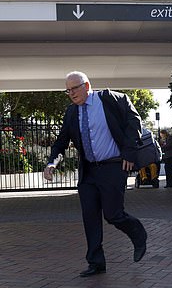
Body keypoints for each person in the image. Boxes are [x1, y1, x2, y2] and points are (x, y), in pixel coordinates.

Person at [43, 71, 148, 277]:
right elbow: (61, 142)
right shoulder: (72, 113)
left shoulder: (111, 99)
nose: (71, 93)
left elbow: (134, 122)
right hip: (88, 171)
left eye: (75, 88)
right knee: (90, 216)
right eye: (68, 90)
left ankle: (138, 233)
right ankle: (96, 262)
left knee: (113, 214)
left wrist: (129, 151)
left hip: (112, 167)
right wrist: (52, 163)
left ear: (87, 86)